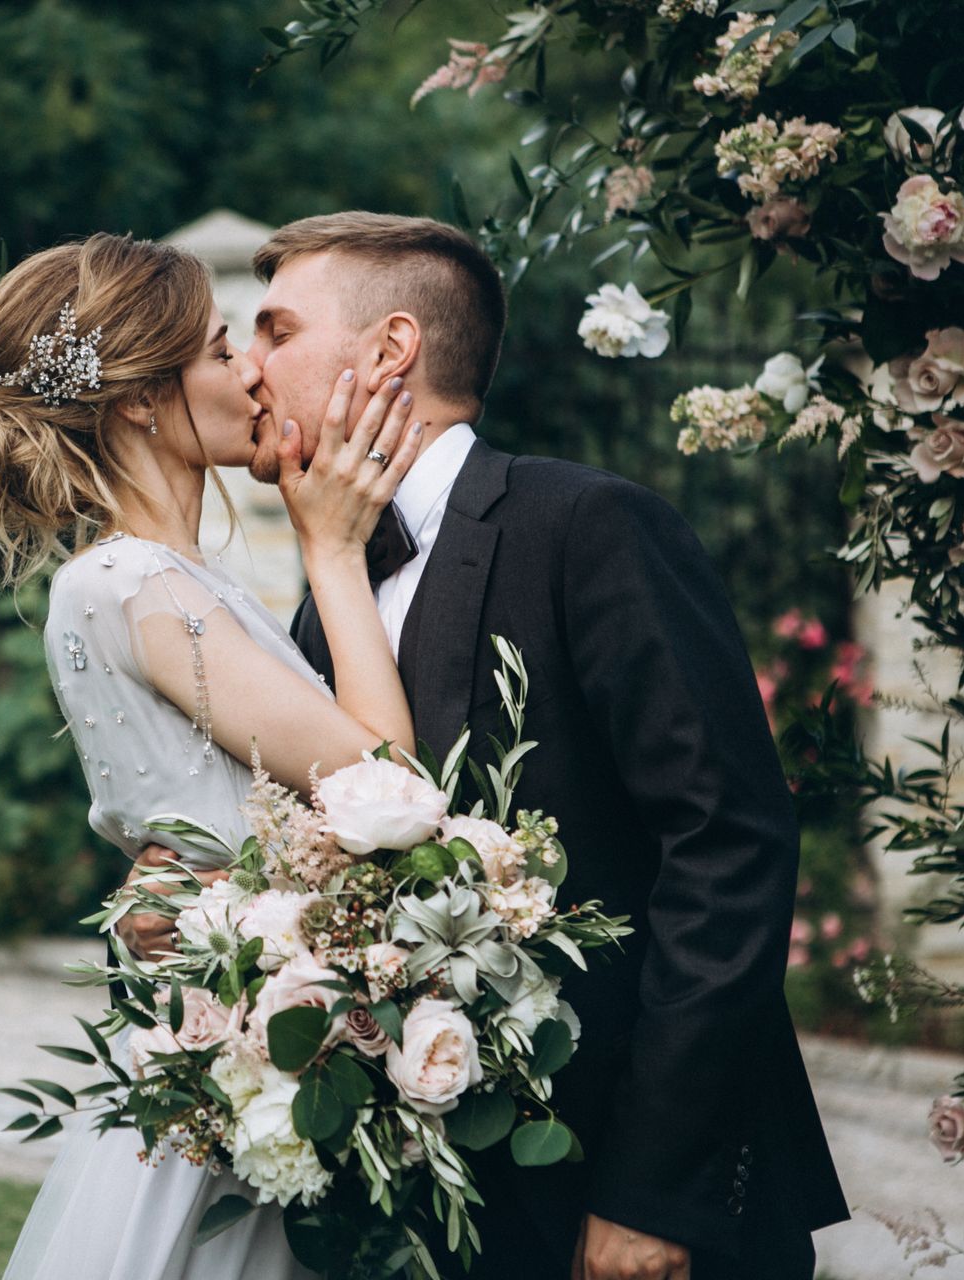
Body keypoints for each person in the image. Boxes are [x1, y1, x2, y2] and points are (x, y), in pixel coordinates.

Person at [116, 212, 849, 1280]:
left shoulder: (590, 525)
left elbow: (728, 849)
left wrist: (653, 1191)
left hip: (624, 1187)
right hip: (440, 1203)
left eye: (274, 331)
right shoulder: (331, 594)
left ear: (390, 350)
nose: (248, 366)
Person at [0, 231, 430, 1280]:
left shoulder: (165, 578)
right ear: (136, 399)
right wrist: (335, 551)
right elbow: (384, 780)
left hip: (239, 1041)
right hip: (229, 1057)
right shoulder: (131, 584)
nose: (252, 368)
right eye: (221, 350)